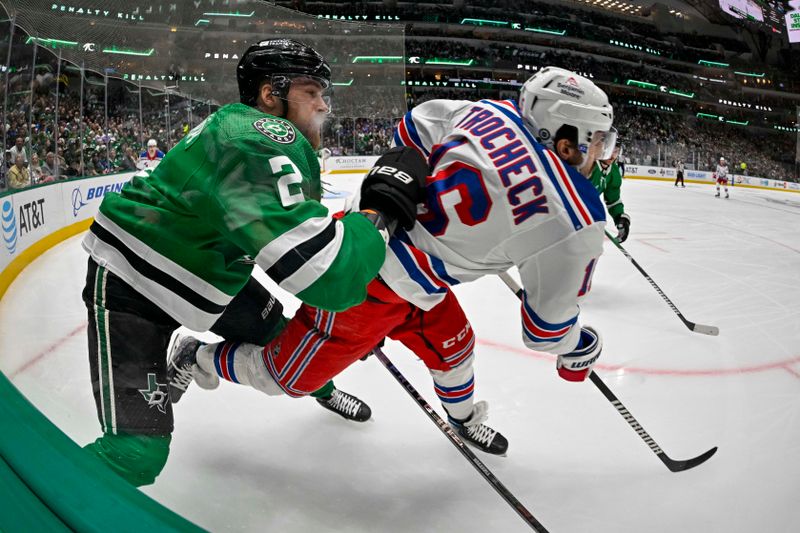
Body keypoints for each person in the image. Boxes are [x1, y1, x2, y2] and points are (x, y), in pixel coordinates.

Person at [169, 66, 613, 456]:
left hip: (408, 275)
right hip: (360, 278)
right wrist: (579, 348)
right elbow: (545, 330)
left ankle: (463, 420)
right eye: (597, 142)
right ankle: (197, 356)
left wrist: (461, 209)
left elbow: (411, 133)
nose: (602, 155)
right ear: (567, 139)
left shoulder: (492, 113)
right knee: (284, 377)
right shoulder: (575, 219)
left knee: (456, 350)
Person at [79, 38, 427, 486]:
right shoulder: (258, 138)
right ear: (270, 94)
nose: (324, 105)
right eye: (312, 92)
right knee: (136, 454)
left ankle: (316, 385)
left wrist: (327, 341)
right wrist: (378, 212)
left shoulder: (251, 131)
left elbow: (280, 243)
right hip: (136, 281)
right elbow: (326, 275)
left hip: (206, 265)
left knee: (289, 341)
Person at [589, 145, 630, 242]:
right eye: (610, 150)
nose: (612, 155)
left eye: (616, 151)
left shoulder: (613, 172)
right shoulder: (587, 165)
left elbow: (613, 200)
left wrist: (619, 217)